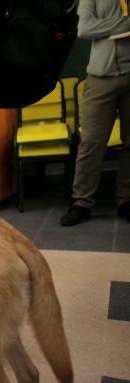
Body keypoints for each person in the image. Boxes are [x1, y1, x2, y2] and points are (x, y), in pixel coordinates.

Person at [60, 0, 130, 226]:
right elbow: (85, 28)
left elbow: (96, 27)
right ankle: (81, 202)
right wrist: (126, 25)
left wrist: (106, 27)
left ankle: (126, 200)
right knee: (91, 143)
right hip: (99, 79)